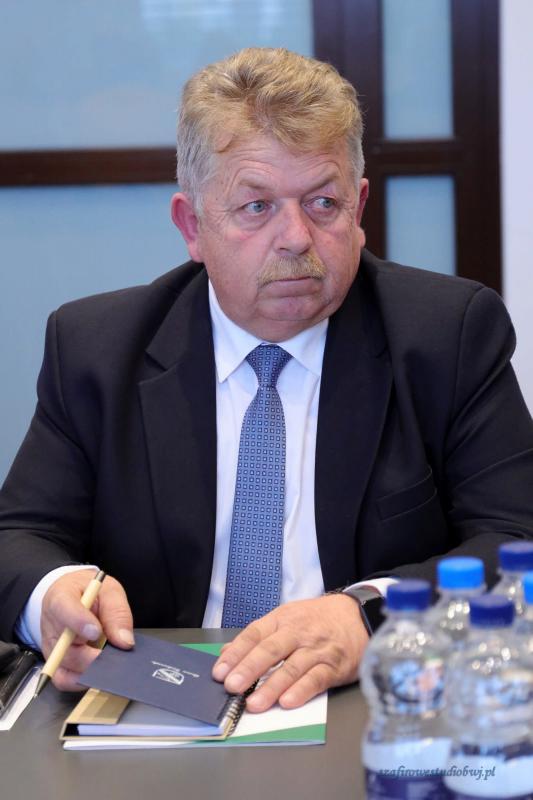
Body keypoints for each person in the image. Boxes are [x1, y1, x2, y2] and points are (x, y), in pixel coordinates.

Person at [1, 48, 532, 713]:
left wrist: (370, 613)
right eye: (256, 206)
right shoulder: (97, 349)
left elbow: (516, 538)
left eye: (323, 203)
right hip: (156, 707)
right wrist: (52, 595)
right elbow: (17, 538)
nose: (296, 237)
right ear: (192, 226)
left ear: (359, 208)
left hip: (372, 702)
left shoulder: (446, 335)